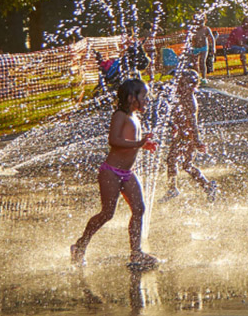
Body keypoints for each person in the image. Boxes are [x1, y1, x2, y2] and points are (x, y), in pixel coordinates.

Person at [71, 79, 159, 268]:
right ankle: (80, 245)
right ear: (130, 97)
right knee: (107, 213)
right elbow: (114, 140)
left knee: (139, 209)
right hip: (110, 172)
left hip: (127, 172)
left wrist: (143, 145)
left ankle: (136, 253)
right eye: (143, 96)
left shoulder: (135, 117)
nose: (147, 99)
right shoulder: (120, 115)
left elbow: (129, 142)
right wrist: (138, 143)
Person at [160, 69, 218, 202]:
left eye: (182, 84)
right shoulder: (182, 97)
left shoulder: (190, 100)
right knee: (184, 164)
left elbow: (193, 123)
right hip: (183, 135)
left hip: (187, 137)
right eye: (178, 83)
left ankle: (173, 189)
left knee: (175, 161)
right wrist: (174, 125)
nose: (178, 86)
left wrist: (197, 141)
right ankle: (207, 186)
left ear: (192, 85)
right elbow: (179, 117)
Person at [189, 15, 215, 83]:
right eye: (198, 21)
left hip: (204, 47)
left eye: (201, 21)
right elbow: (189, 39)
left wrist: (213, 48)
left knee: (202, 61)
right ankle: (197, 77)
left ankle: (204, 77)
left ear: (205, 21)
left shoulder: (206, 29)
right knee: (195, 63)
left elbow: (212, 38)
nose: (200, 23)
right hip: (195, 48)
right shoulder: (193, 29)